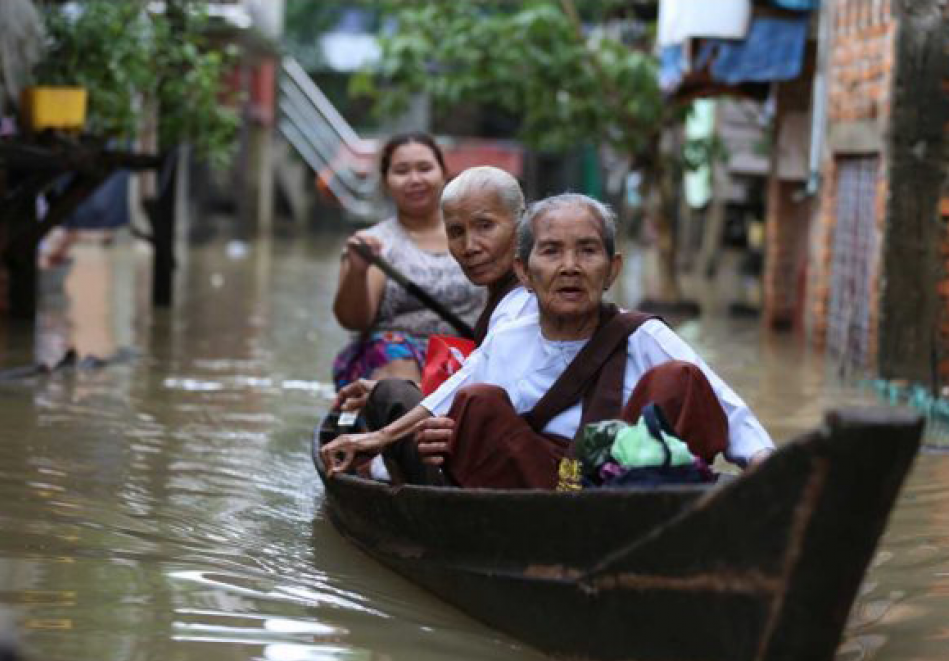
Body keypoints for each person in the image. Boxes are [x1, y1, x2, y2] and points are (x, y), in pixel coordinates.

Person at [321, 193, 774, 488]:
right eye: (552, 251)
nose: (571, 266)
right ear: (523, 271)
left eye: (588, 251)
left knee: (682, 380)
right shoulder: (509, 338)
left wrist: (766, 469)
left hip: (626, 490)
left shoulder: (645, 335)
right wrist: (375, 444)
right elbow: (441, 403)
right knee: (476, 404)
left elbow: (726, 407)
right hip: (533, 489)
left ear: (612, 270)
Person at [330, 166, 537, 480]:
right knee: (390, 384)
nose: (470, 247)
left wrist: (382, 436)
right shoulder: (377, 240)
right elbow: (482, 370)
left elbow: (498, 386)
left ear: (520, 223)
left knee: (392, 395)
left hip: (515, 449)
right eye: (456, 232)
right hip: (414, 360)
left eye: (485, 226)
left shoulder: (524, 298)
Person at [331, 132, 485, 390]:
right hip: (393, 362)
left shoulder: (477, 237)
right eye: (402, 171)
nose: (415, 179)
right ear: (386, 182)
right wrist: (357, 271)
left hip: (464, 354)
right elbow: (354, 321)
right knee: (397, 359)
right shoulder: (373, 244)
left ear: (444, 173)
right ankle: (404, 419)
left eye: (425, 168)